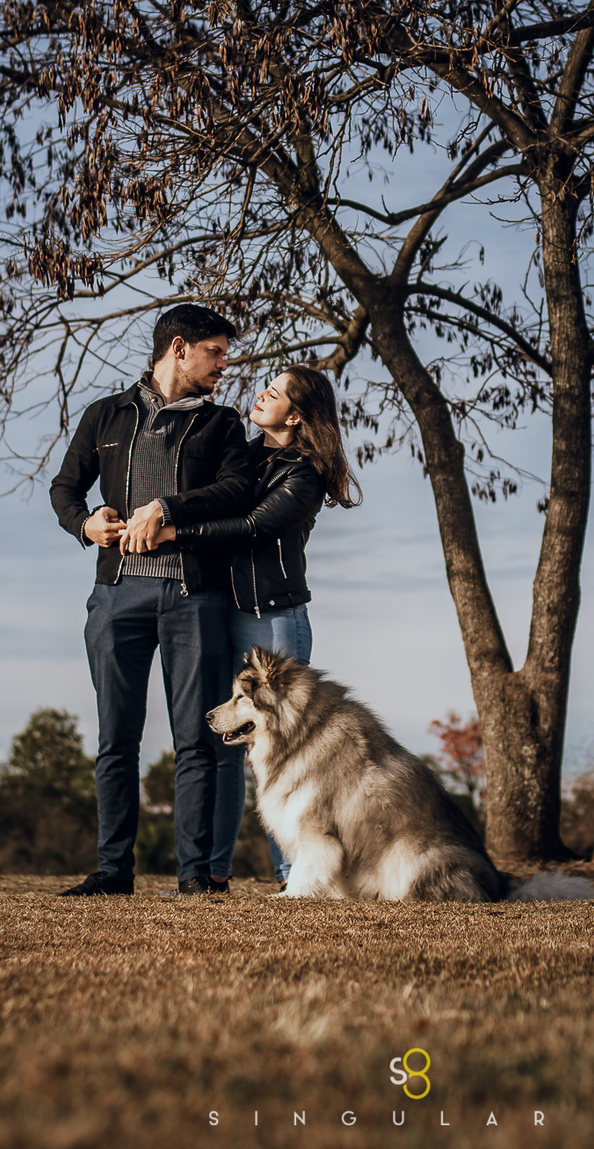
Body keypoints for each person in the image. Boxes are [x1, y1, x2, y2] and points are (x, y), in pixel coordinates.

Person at [122, 363, 360, 884]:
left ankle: (292, 871)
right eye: (266, 388)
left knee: (285, 746)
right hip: (220, 610)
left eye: (274, 393)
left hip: (272, 619)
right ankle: (213, 869)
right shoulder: (244, 456)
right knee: (229, 741)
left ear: (295, 416)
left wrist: (174, 533)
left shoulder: (304, 473)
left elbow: (254, 526)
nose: (261, 396)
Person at [49, 303, 252, 898]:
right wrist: (84, 523)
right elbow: (65, 488)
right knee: (116, 740)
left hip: (195, 597)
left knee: (196, 741)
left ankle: (194, 877)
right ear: (179, 348)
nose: (223, 365)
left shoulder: (222, 425)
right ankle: (114, 872)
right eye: (215, 353)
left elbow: (238, 490)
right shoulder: (105, 415)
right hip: (117, 595)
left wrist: (167, 507)